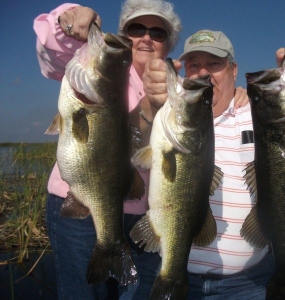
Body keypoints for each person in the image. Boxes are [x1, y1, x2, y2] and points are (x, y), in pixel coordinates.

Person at [34, 2, 248, 299]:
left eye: (157, 32)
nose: (146, 38)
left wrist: (241, 92)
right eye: (137, 29)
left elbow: (208, 100)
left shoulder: (178, 86)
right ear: (124, 35)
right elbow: (53, 55)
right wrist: (69, 21)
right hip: (81, 199)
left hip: (142, 213)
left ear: (168, 44)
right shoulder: (101, 61)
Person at [127, 29, 285, 299]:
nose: (203, 73)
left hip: (249, 282)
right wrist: (149, 103)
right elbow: (128, 146)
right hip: (165, 268)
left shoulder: (262, 111)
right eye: (194, 65)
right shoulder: (167, 115)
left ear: (234, 70)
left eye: (214, 64)